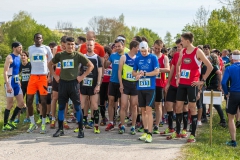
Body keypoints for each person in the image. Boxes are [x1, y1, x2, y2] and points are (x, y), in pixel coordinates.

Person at [48, 37, 94, 138]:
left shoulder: (78, 55)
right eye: (69, 44)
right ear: (65, 45)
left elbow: (91, 65)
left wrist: (82, 77)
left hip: (74, 84)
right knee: (61, 107)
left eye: (72, 44)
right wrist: (55, 76)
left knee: (77, 107)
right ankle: (60, 129)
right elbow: (50, 64)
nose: (70, 46)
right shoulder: (60, 55)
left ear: (75, 45)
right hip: (63, 84)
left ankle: (81, 130)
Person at [175, 32, 213, 143]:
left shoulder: (198, 51)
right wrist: (178, 76)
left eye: (182, 40)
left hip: (192, 84)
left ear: (187, 41)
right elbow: (178, 64)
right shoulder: (183, 51)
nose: (181, 42)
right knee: (178, 107)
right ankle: (179, 131)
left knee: (192, 107)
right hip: (182, 83)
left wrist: (202, 81)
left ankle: (192, 134)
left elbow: (210, 66)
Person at [132, 41, 159, 143]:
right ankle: (145, 131)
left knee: (148, 110)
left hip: (150, 88)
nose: (143, 53)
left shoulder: (153, 57)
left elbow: (157, 71)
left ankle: (150, 134)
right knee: (142, 110)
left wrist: (145, 74)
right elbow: (133, 72)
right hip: (140, 88)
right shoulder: (138, 58)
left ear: (148, 49)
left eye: (145, 51)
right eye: (142, 51)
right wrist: (138, 74)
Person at [26, 33, 53, 134]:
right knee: (29, 100)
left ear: (42, 39)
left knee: (43, 101)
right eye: (36, 38)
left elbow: (50, 63)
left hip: (43, 78)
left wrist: (50, 75)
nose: (38, 39)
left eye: (40, 38)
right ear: (34, 39)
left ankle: (43, 124)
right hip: (33, 77)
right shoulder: (30, 48)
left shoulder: (46, 49)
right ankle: (32, 123)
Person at [162, 39, 188, 137]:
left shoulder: (188, 55)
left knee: (183, 107)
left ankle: (184, 129)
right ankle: (170, 127)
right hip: (173, 83)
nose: (177, 49)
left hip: (184, 85)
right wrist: (168, 83)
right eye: (176, 47)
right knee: (168, 104)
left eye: (179, 47)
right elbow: (172, 68)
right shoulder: (176, 55)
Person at [78, 39, 102, 134]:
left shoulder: (97, 58)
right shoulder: (82, 57)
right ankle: (81, 124)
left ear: (94, 46)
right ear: (85, 46)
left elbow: (100, 72)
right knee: (82, 104)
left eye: (90, 45)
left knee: (94, 104)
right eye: (87, 45)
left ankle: (96, 125)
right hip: (84, 84)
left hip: (94, 84)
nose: (89, 47)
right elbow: (79, 69)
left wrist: (98, 85)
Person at [2, 42, 25, 131]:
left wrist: (18, 79)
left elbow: (16, 71)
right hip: (10, 82)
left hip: (16, 82)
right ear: (14, 48)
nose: (21, 49)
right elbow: (5, 72)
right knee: (10, 104)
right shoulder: (9, 57)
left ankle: (11, 121)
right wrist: (7, 85)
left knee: (21, 103)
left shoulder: (19, 57)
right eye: (19, 47)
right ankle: (4, 125)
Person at [118, 40, 139, 135]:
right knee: (123, 105)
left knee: (134, 106)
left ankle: (133, 126)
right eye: (138, 48)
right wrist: (121, 84)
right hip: (125, 83)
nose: (139, 50)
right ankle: (122, 125)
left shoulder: (138, 58)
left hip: (135, 84)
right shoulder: (124, 57)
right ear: (134, 47)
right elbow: (119, 71)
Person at [104, 39, 125, 131]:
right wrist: (105, 60)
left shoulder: (126, 56)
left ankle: (121, 122)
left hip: (123, 82)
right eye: (115, 46)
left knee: (122, 103)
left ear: (123, 46)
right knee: (111, 101)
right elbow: (105, 66)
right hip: (113, 82)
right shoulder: (113, 55)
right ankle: (111, 122)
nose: (117, 48)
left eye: (119, 46)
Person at [50, 36, 70, 129]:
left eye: (66, 45)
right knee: (55, 97)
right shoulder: (55, 49)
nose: (64, 47)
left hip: (66, 78)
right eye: (63, 45)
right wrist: (52, 75)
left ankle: (64, 120)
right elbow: (52, 63)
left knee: (65, 99)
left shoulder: (70, 49)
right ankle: (53, 118)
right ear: (61, 43)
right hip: (57, 77)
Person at [222, 50, 240, 147]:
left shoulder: (229, 68)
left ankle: (233, 141)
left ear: (232, 58)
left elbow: (223, 82)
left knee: (231, 118)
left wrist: (226, 93)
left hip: (233, 94)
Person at [203, 53, 226, 127]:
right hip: (210, 86)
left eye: (209, 58)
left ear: (211, 59)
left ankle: (223, 121)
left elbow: (219, 73)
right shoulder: (211, 66)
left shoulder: (213, 66)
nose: (207, 59)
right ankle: (221, 120)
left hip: (214, 86)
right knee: (209, 103)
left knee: (216, 105)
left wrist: (220, 85)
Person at [153, 40, 170, 134]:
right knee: (147, 105)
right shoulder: (150, 56)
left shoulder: (164, 57)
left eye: (159, 49)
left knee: (158, 105)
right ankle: (146, 124)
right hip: (150, 83)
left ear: (162, 48)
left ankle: (157, 124)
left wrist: (157, 70)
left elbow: (168, 69)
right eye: (155, 48)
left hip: (159, 84)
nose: (157, 50)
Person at [14, 51, 31, 123]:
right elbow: (16, 74)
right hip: (22, 85)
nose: (23, 57)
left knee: (28, 101)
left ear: (27, 57)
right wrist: (18, 82)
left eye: (24, 55)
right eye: (22, 56)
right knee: (20, 102)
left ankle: (27, 118)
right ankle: (17, 118)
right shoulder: (20, 65)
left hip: (30, 85)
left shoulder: (30, 65)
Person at [99, 46, 112, 126]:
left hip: (110, 83)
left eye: (107, 53)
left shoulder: (111, 61)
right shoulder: (100, 61)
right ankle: (103, 117)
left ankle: (112, 117)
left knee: (111, 100)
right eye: (104, 53)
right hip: (102, 82)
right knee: (102, 100)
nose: (106, 55)